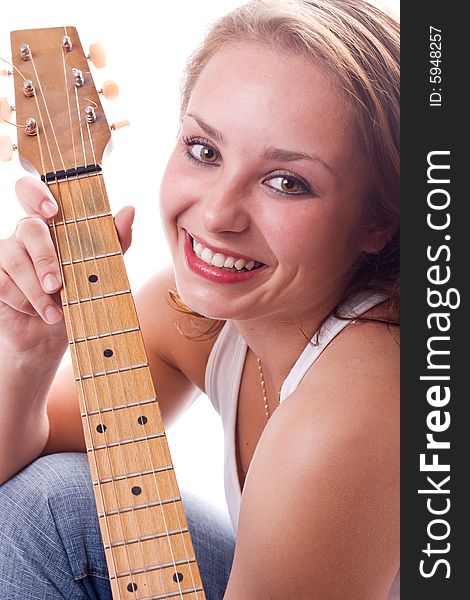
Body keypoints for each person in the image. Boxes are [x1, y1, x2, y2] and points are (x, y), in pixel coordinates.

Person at [0, 0, 400, 598]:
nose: (216, 214)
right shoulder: (197, 315)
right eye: (204, 151)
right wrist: (26, 354)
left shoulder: (364, 402)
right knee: (45, 504)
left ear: (378, 221)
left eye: (286, 182)